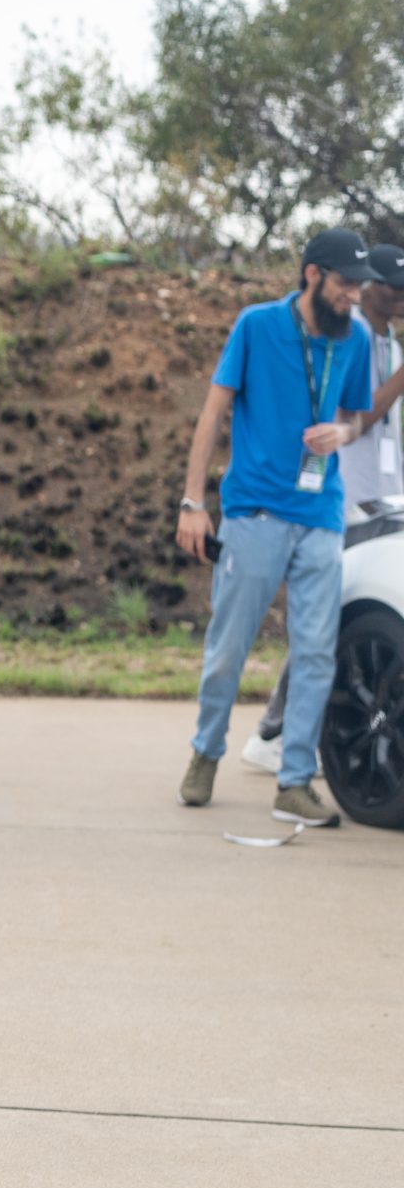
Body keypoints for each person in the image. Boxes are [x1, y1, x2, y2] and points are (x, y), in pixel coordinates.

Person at [177, 228, 404, 824]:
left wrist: (344, 433)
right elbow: (212, 414)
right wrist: (192, 502)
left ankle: (295, 778)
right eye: (346, 283)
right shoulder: (256, 326)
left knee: (315, 653)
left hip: (321, 515)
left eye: (360, 284)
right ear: (312, 276)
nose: (355, 295)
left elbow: (358, 415)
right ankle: (205, 752)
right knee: (230, 646)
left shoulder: (352, 337)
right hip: (255, 512)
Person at [242, 240, 404, 773]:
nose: (401, 296)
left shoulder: (390, 343)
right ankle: (272, 730)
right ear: (372, 288)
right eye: (392, 286)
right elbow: (359, 416)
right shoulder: (346, 336)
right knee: (327, 617)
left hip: (385, 492)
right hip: (345, 494)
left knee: (351, 617)